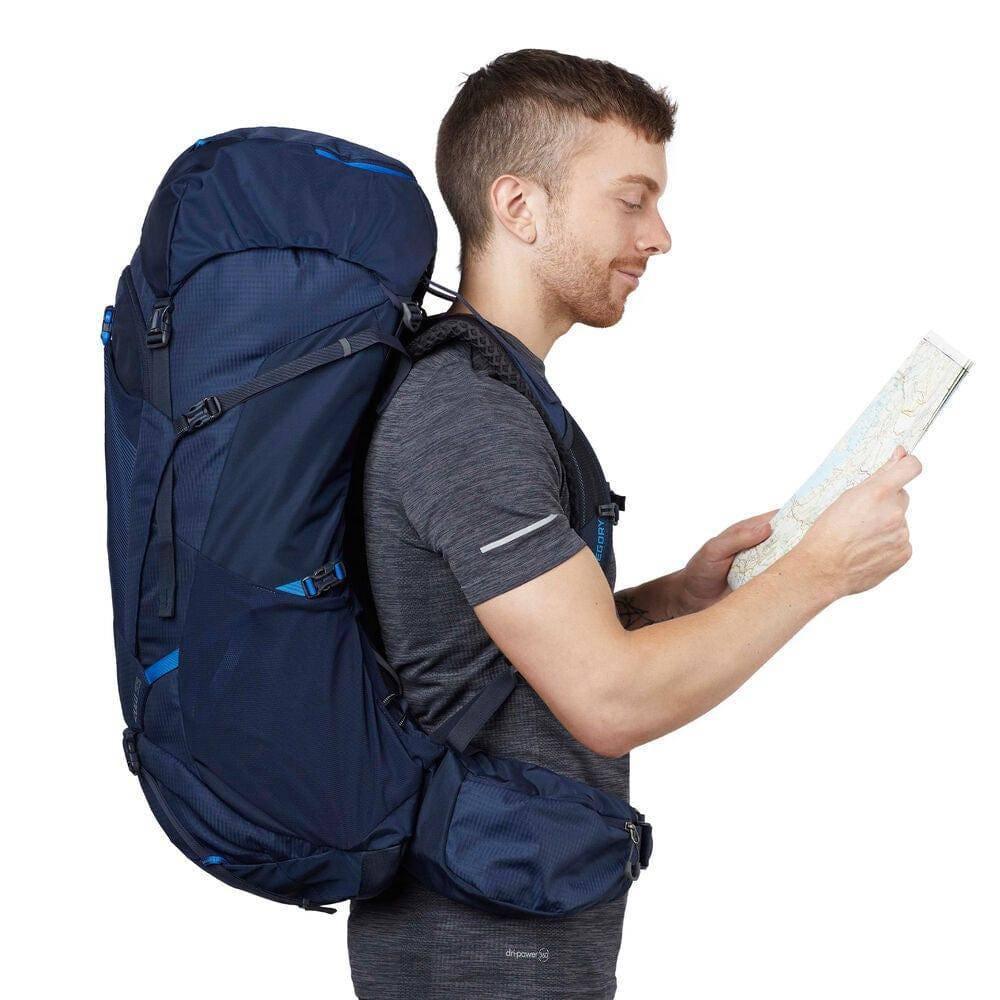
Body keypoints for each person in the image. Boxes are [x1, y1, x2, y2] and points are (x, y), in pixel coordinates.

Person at [347, 48, 920, 1000]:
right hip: (478, 951)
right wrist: (819, 571)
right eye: (631, 200)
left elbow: (501, 652)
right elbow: (607, 702)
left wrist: (674, 600)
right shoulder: (469, 414)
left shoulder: (493, 394)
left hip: (510, 923)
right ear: (519, 205)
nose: (659, 236)